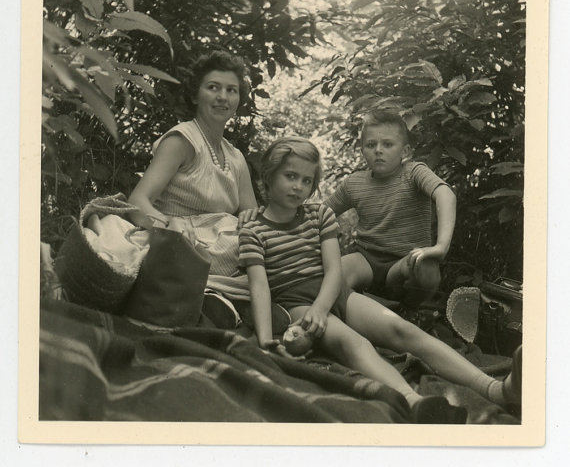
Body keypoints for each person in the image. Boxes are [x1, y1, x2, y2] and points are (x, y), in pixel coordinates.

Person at [238, 136, 521, 423]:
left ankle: (495, 389)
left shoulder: (318, 215)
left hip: (332, 291)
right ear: (268, 176)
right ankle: (412, 401)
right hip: (295, 301)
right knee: (354, 343)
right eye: (290, 176)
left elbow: (334, 270)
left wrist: (322, 308)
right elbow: (259, 285)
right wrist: (264, 339)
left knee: (401, 329)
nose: (299, 186)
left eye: (307, 181)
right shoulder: (252, 229)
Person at [127, 50, 286, 328]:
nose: (222, 97)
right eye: (213, 87)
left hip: (223, 250)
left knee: (270, 246)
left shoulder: (235, 157)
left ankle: (231, 303)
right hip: (179, 244)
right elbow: (138, 200)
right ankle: (215, 301)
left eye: (231, 90)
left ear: (239, 100)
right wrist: (168, 225)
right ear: (195, 95)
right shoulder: (182, 140)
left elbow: (250, 217)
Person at [325, 110, 455, 309]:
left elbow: (445, 194)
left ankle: (407, 311)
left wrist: (441, 246)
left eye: (387, 144)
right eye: (370, 145)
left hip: (403, 263)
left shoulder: (413, 172)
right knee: (331, 276)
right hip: (365, 260)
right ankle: (365, 307)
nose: (378, 150)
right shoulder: (355, 183)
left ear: (404, 151)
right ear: (362, 150)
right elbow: (321, 213)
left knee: (426, 268)